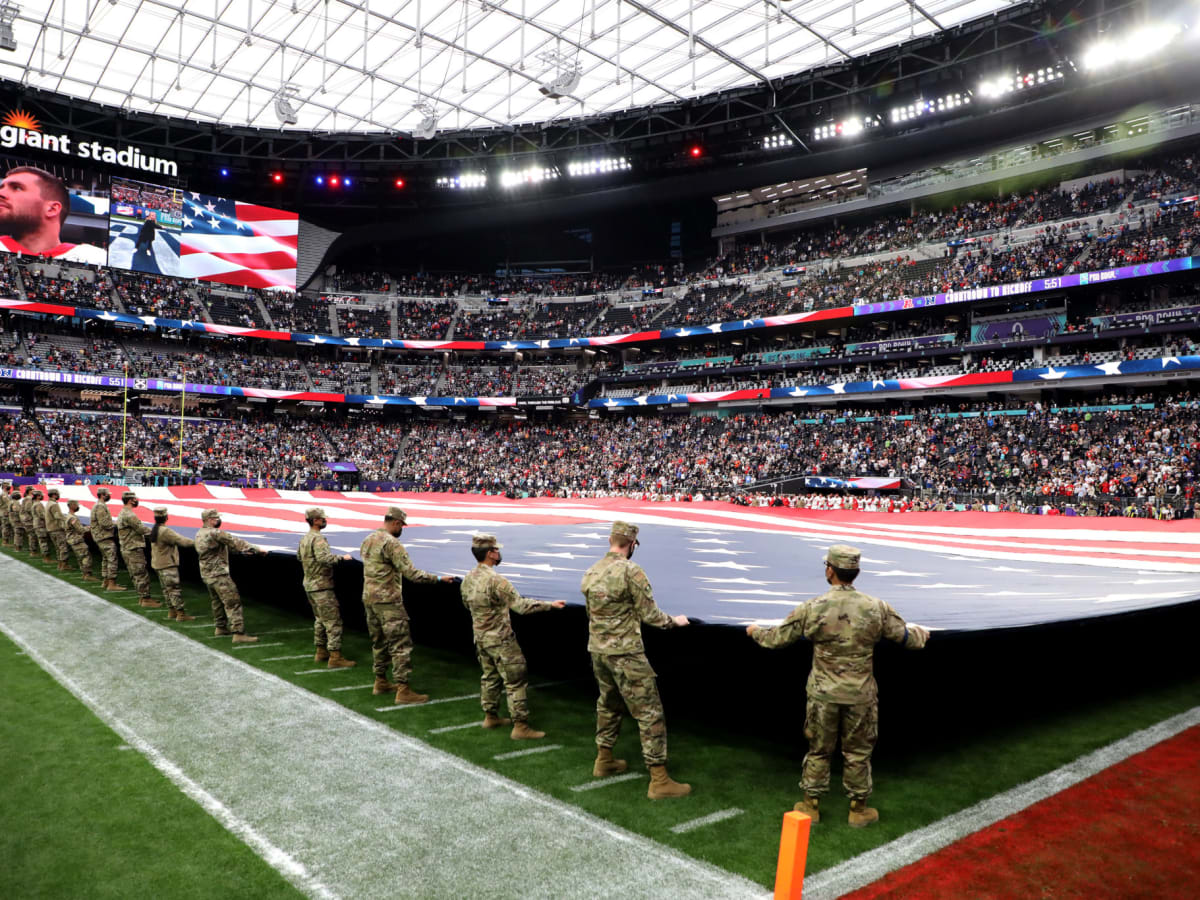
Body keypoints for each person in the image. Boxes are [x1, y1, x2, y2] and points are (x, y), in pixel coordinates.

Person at [746, 543, 930, 827]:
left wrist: (755, 631)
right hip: (860, 695)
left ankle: (811, 805)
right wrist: (922, 633)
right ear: (855, 572)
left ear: (830, 571)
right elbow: (909, 639)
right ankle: (858, 809)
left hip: (823, 694)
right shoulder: (876, 607)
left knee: (819, 749)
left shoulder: (813, 607)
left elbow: (776, 640)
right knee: (857, 752)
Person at [580, 521, 691, 800]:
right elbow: (651, 615)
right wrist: (674, 622)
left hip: (598, 651)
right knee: (650, 713)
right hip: (626, 654)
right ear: (632, 545)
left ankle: (604, 759)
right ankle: (659, 780)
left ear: (610, 540)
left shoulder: (591, 571)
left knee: (608, 704)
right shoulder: (631, 571)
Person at [460, 533, 564, 739]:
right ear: (490, 553)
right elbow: (521, 606)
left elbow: (466, 605)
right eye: (496, 550)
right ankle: (520, 727)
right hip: (501, 640)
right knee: (515, 681)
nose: (499, 553)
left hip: (481, 638)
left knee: (489, 677)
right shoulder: (497, 581)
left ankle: (490, 716)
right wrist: (549, 605)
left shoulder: (468, 579)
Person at [360, 506, 456, 705]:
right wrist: (438, 579)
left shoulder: (369, 539)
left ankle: (380, 681)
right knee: (400, 645)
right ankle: (403, 690)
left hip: (370, 598)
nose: (402, 528)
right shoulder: (392, 543)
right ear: (395, 522)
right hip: (388, 602)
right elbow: (411, 573)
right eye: (401, 525)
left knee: (378, 643)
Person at [0, 167, 107, 263]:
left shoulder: (96, 257)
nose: (1, 193)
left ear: (52, 209)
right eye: (2, 187)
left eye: (17, 188)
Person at [194, 509, 265, 643]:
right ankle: (238, 633)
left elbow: (220, 548)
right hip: (219, 574)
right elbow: (234, 541)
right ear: (210, 520)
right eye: (216, 518)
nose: (218, 520)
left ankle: (220, 627)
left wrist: (241, 552)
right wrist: (256, 548)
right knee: (233, 602)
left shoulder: (199, 533)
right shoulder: (215, 533)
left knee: (217, 602)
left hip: (207, 574)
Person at [297, 507, 355, 668]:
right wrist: (342, 558)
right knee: (333, 622)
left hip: (309, 584)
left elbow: (299, 557)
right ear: (315, 520)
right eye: (323, 519)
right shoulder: (318, 539)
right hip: (322, 585)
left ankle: (321, 651)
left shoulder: (304, 539)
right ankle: (335, 656)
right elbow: (324, 558)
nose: (325, 521)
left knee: (320, 620)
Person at [149, 507, 196, 621]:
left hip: (158, 563)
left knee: (166, 589)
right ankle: (181, 614)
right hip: (167, 565)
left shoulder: (155, 529)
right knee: (174, 590)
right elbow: (182, 541)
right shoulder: (165, 531)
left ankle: (172, 611)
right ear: (166, 517)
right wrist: (198, 542)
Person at [117, 491, 157, 607]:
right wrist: (157, 533)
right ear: (130, 500)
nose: (136, 501)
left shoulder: (122, 512)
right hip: (133, 548)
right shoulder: (130, 515)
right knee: (140, 574)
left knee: (135, 574)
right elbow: (141, 529)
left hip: (127, 547)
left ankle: (142, 598)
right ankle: (146, 599)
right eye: (135, 499)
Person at [90, 487, 121, 591]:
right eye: (108, 494)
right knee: (112, 559)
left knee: (105, 558)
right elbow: (104, 523)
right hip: (104, 536)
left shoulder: (99, 505)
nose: (109, 495)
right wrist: (116, 524)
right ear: (103, 495)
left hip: (100, 536)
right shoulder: (100, 506)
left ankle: (105, 581)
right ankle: (111, 583)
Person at [64, 500, 94, 581]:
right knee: (86, 556)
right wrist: (89, 528)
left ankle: (85, 574)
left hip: (72, 540)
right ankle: (87, 575)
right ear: (72, 506)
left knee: (80, 557)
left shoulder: (68, 516)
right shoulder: (73, 518)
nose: (78, 507)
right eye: (77, 505)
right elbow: (80, 530)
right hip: (76, 540)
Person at [44, 488, 70, 571]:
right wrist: (67, 518)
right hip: (56, 528)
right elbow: (58, 516)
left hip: (51, 528)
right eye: (58, 494)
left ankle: (60, 564)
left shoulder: (48, 503)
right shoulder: (54, 504)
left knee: (58, 547)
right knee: (63, 547)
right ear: (54, 495)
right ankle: (63, 565)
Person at [31, 489, 52, 562]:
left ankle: (45, 556)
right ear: (38, 496)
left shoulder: (35, 503)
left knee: (41, 541)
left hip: (37, 524)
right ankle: (46, 558)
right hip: (40, 525)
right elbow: (42, 515)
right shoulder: (38, 504)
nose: (43, 496)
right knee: (43, 541)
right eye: (41, 495)